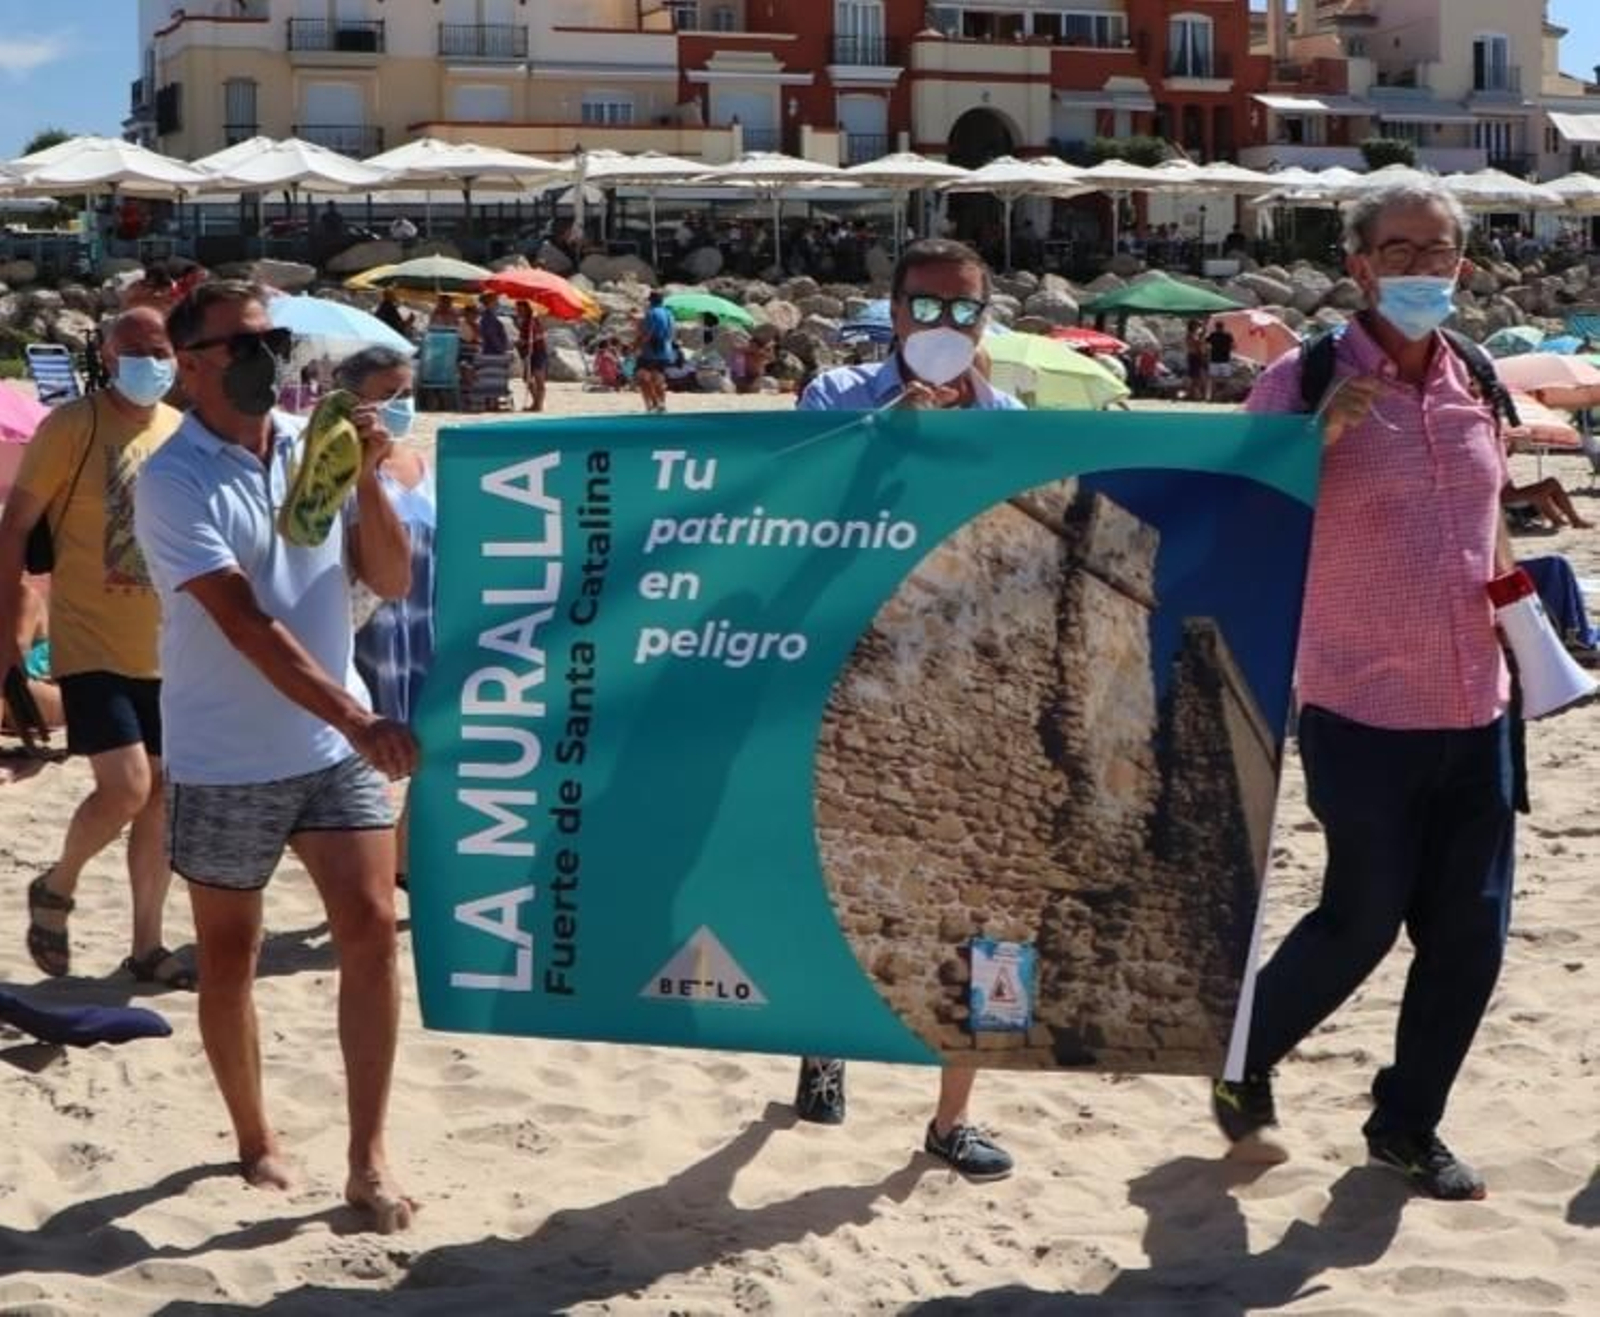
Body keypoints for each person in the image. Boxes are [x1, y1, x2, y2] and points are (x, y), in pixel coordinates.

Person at [1213, 179, 1517, 1201]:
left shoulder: (1476, 376)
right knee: (1360, 918)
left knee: (1470, 933)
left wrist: (1527, 624)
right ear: (1357, 264)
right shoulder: (1300, 384)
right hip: (1359, 704)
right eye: (1399, 251)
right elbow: (1233, 518)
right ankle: (1243, 1053)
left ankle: (1406, 1123)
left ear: (1462, 267)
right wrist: (1315, 444)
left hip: (1479, 703)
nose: (1422, 271)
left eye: (1439, 254)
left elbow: (1489, 529)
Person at [133, 280, 418, 1230]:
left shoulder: (313, 444)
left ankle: (367, 1156)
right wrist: (354, 715)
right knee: (229, 952)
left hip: (329, 741)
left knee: (373, 928)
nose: (270, 357)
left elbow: (387, 577)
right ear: (191, 363)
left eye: (277, 339)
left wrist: (372, 475)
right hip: (225, 749)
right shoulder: (174, 479)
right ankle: (254, 1135)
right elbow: (243, 621)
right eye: (246, 344)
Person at [792, 238, 1022, 1183]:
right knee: (837, 881)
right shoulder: (838, 396)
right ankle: (822, 1041)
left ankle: (954, 1113)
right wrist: (897, 421)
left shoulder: (1007, 415)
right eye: (927, 310)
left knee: (986, 901)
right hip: (850, 676)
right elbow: (798, 500)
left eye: (964, 312)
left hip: (965, 684)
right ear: (893, 315)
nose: (945, 327)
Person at [0, 308, 189, 986]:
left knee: (162, 798)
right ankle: (58, 882)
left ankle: (146, 944)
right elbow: (15, 525)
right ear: (107, 356)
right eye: (133, 349)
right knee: (127, 787)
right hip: (89, 642)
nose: (148, 360)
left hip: (170, 649)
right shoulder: (71, 427)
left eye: (159, 347)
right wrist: (6, 632)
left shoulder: (179, 430)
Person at [336, 347, 433, 890]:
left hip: (425, 626)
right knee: (365, 759)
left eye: (407, 391)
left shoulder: (420, 461)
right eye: (389, 393)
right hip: (367, 627)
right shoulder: (340, 464)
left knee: (431, 752)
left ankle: (402, 859)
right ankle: (364, 872)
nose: (402, 403)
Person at [635, 291, 676, 415]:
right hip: (666, 351)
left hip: (651, 350)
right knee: (658, 378)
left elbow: (647, 335)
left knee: (642, 377)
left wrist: (636, 346)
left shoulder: (651, 313)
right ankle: (661, 405)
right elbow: (672, 333)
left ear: (651, 301)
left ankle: (652, 404)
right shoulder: (669, 314)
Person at [515, 301, 547, 413]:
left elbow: (539, 335)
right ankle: (536, 403)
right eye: (517, 309)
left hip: (538, 352)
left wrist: (524, 341)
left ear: (526, 309)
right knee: (527, 378)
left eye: (520, 309)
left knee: (539, 379)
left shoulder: (533, 320)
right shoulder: (525, 322)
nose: (518, 311)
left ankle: (538, 405)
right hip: (530, 353)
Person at [1205, 319, 1236, 402]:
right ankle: (1226, 397)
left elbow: (1206, 344)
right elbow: (1233, 346)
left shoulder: (1212, 335)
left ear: (1216, 327)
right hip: (1225, 359)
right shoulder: (1228, 335)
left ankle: (1212, 397)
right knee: (1226, 379)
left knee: (1213, 379)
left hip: (1214, 359)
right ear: (1223, 327)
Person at [477, 293, 510, 357]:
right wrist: (501, 350)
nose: (497, 304)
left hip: (493, 351)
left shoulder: (490, 316)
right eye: (495, 301)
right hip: (493, 352)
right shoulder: (488, 318)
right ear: (490, 303)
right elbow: (492, 336)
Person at [1185, 321, 1207, 401]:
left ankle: (1194, 393)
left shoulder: (1194, 335)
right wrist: (1201, 336)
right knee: (1194, 376)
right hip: (1194, 356)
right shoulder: (1190, 335)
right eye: (1196, 326)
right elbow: (1195, 344)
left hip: (1196, 356)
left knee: (1196, 376)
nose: (1198, 327)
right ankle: (1192, 394)